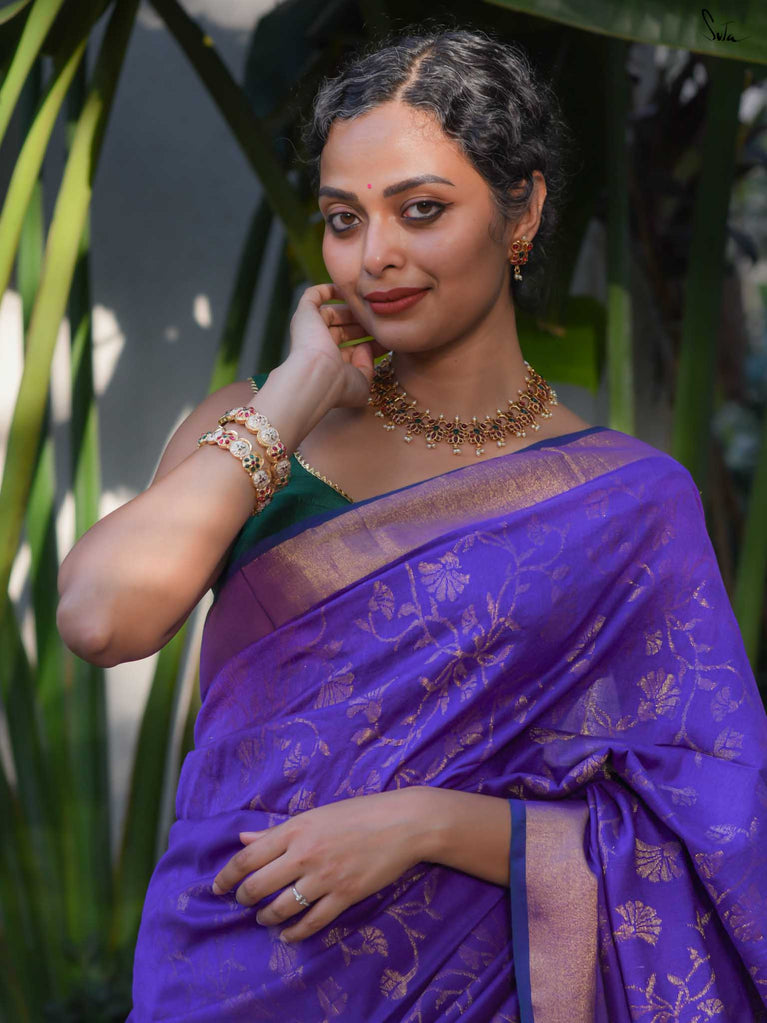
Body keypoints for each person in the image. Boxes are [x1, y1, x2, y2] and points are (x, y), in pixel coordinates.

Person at [56, 26, 767, 1023]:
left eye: (420, 210)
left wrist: (427, 824)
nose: (374, 256)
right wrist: (294, 394)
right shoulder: (256, 426)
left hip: (473, 988)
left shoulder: (628, 504)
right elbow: (99, 618)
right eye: (343, 220)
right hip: (225, 968)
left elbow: (708, 832)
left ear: (522, 211)